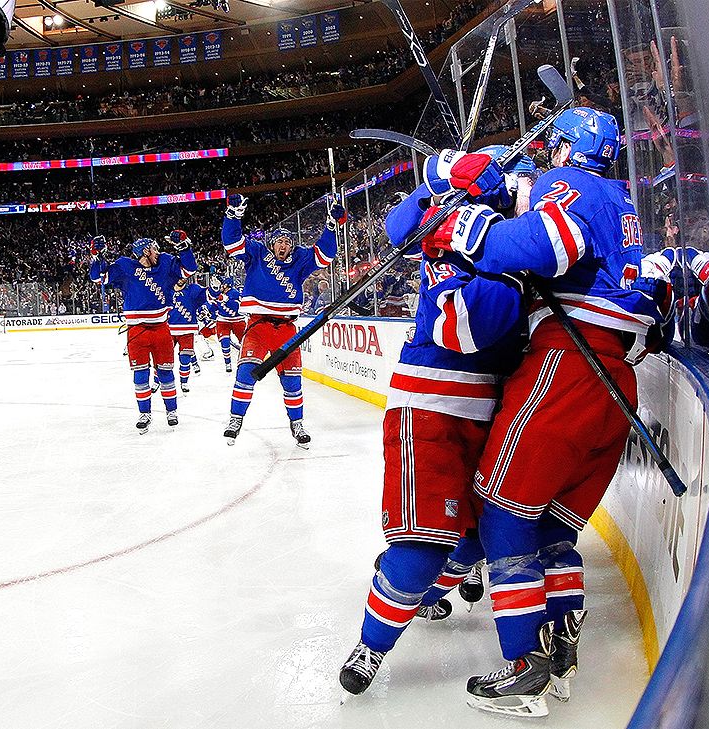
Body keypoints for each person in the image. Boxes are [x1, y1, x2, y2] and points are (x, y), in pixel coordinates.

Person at [419, 108, 670, 716]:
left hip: (566, 367)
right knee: (554, 531)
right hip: (616, 382)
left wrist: (465, 225)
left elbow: (544, 243)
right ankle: (561, 653)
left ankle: (524, 667)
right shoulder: (625, 204)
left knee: (503, 514)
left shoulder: (578, 189)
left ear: (564, 149)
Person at [339, 146, 536, 697]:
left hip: (487, 411)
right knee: (424, 547)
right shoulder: (454, 233)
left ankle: (415, 590)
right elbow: (461, 330)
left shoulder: (493, 227)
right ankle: (371, 645)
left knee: (477, 539)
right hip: (431, 407)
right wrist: (517, 280)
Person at [219, 194, 340, 449]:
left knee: (292, 381)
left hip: (286, 328)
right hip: (258, 326)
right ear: (272, 244)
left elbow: (326, 255)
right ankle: (235, 419)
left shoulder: (299, 260)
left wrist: (330, 226)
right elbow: (232, 243)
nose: (283, 245)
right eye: (279, 242)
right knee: (245, 374)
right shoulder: (257, 253)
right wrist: (233, 216)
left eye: (287, 241)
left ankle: (297, 424)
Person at [89, 232, 197, 433]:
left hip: (161, 329)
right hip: (137, 331)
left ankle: (171, 411)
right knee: (140, 375)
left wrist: (183, 247)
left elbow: (190, 268)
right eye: (154, 249)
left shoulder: (165, 263)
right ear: (145, 251)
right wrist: (98, 256)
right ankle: (144, 413)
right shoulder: (125, 266)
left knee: (165, 372)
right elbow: (97, 277)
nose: (158, 252)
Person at [167, 275, 210, 393]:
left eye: (184, 277)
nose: (182, 279)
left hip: (187, 330)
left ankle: (184, 382)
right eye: (179, 276)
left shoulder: (193, 290)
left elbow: (208, 296)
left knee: (185, 358)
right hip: (167, 330)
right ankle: (156, 381)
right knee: (163, 358)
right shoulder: (165, 289)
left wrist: (214, 289)